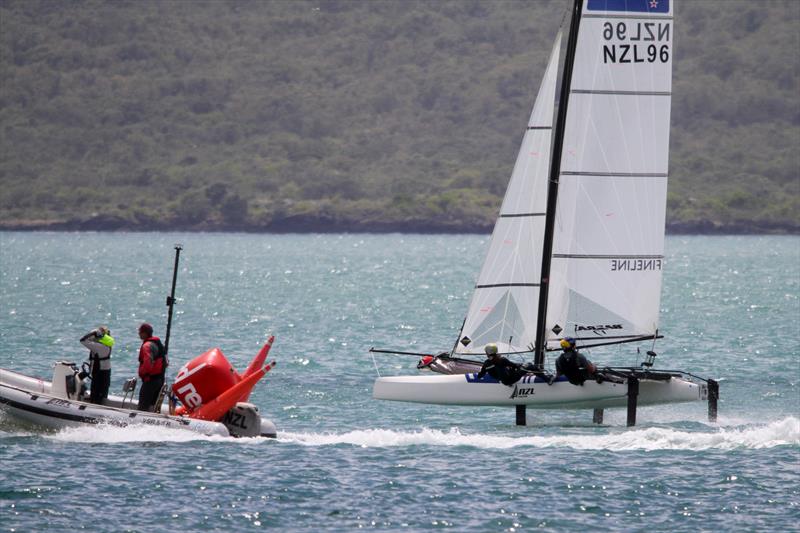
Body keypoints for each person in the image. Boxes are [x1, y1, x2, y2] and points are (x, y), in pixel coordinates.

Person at [137, 322, 168, 412]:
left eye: (140, 332)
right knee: (153, 405)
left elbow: (147, 363)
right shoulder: (159, 344)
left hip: (150, 380)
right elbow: (166, 362)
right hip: (160, 380)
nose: (139, 333)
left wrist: (142, 373)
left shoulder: (147, 346)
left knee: (143, 406)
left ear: (145, 333)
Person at [79, 326, 114, 404]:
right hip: (106, 372)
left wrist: (92, 333)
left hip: (99, 374)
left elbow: (82, 340)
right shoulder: (107, 345)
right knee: (103, 395)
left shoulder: (98, 346)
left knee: (96, 396)